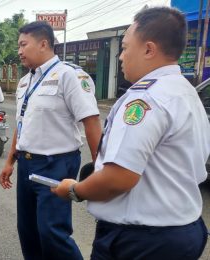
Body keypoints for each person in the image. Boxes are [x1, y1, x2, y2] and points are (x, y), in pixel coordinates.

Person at [51, 7, 210, 259]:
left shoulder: (145, 98)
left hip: (141, 242)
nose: (121, 57)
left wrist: (75, 190)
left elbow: (119, 178)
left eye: (125, 48)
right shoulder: (186, 91)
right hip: (183, 230)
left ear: (148, 49)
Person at [0, 21, 102, 260]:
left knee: (52, 233)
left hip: (56, 164)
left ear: (43, 43)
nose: (19, 51)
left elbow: (92, 122)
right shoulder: (26, 81)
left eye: (23, 44)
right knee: (28, 232)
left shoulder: (70, 75)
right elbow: (23, 123)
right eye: (19, 46)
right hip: (26, 164)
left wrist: (100, 167)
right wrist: (10, 161)